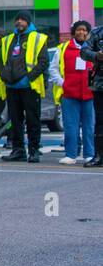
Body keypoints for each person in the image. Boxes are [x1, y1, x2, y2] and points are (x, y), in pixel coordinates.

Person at [0, 11, 49, 163]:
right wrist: (4, 75)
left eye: (22, 20)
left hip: (29, 86)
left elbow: (43, 62)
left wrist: (29, 78)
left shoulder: (38, 38)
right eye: (17, 19)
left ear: (28, 22)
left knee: (33, 120)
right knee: (15, 120)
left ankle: (33, 150)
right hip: (12, 85)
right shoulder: (8, 39)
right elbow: (2, 59)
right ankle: (18, 150)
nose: (19, 22)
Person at [47, 20, 94, 165]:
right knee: (70, 126)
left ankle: (90, 154)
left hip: (90, 94)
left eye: (85, 30)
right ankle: (71, 154)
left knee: (89, 126)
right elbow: (53, 69)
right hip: (69, 94)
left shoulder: (94, 48)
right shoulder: (63, 48)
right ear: (74, 32)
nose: (82, 32)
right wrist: (63, 83)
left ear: (88, 33)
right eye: (79, 30)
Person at [80, 22, 103, 167]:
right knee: (100, 122)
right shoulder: (97, 32)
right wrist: (97, 55)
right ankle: (99, 155)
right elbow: (83, 51)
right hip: (100, 85)